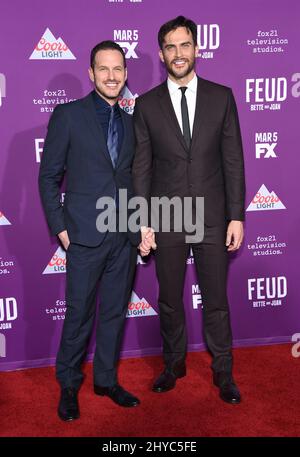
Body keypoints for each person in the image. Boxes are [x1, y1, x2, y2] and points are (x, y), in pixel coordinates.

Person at [132, 16, 245, 404]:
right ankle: (173, 364)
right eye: (170, 47)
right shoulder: (146, 105)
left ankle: (224, 372)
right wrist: (143, 221)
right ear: (162, 54)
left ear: (196, 48)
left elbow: (233, 161)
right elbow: (142, 168)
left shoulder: (221, 96)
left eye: (184, 45)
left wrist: (237, 215)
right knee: (168, 298)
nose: (178, 53)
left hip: (214, 216)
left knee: (216, 299)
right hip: (167, 217)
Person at [39, 41, 154, 421]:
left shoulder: (131, 121)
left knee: (114, 315)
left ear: (125, 74)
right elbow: (48, 177)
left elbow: (135, 182)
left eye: (117, 69)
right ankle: (69, 385)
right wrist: (61, 229)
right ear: (91, 73)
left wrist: (139, 228)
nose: (111, 76)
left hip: (123, 238)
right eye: (103, 69)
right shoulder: (68, 115)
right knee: (78, 316)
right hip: (84, 238)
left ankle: (106, 380)